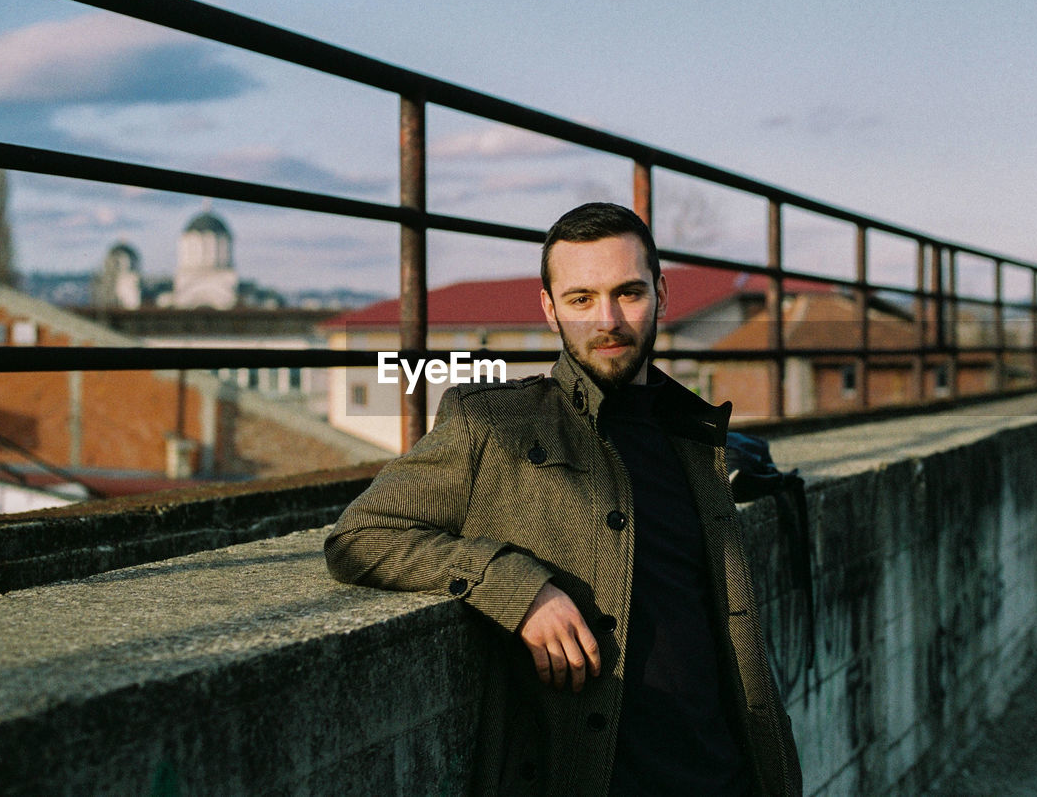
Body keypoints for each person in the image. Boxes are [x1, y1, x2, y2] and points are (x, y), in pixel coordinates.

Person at [325, 202, 802, 797]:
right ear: (550, 309)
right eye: (581, 299)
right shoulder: (494, 425)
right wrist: (515, 587)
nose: (608, 320)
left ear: (661, 292)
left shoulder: (695, 434)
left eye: (629, 293)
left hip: (731, 776)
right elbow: (361, 535)